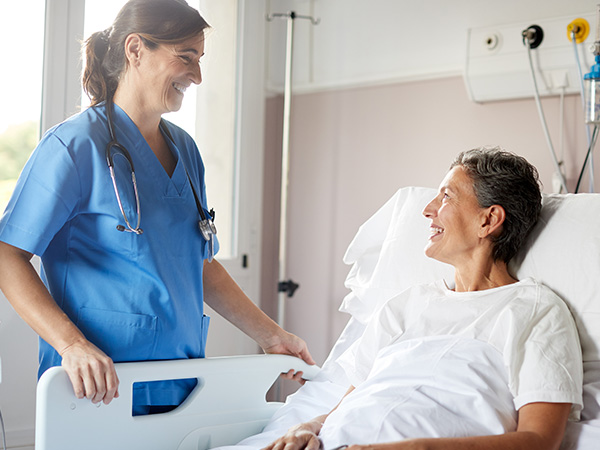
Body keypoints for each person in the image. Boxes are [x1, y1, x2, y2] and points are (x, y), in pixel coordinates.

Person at [0, 0, 313, 415]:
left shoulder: (185, 148)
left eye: (200, 60)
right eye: (186, 57)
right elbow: (8, 254)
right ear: (135, 50)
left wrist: (272, 335)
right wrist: (71, 345)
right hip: (99, 387)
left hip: (179, 385)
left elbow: (199, 262)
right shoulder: (73, 147)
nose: (198, 76)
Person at [263, 148, 583, 450]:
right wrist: (310, 426)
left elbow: (540, 440)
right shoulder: (408, 305)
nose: (428, 209)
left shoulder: (535, 311)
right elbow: (358, 400)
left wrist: (418, 447)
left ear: (488, 220)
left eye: (446, 196)